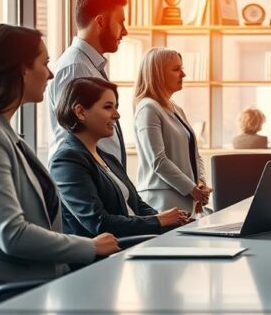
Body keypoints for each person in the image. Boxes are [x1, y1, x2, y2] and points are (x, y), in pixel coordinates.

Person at [0, 25, 119, 305]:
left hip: (32, 285)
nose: (51, 74)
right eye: (44, 63)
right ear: (21, 69)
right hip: (8, 296)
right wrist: (90, 246)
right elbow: (12, 234)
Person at [50, 77, 189, 238]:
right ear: (80, 112)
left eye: (115, 107)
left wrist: (175, 220)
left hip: (137, 242)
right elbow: (99, 223)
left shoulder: (109, 158)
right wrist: (158, 221)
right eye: (108, 107)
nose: (116, 115)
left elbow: (138, 206)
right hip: (109, 254)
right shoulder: (67, 160)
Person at [47, 0, 128, 165]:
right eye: (120, 23)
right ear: (100, 22)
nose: (125, 31)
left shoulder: (88, 65)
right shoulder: (75, 68)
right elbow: (74, 136)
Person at [133, 48, 212, 215]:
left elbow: (195, 154)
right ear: (157, 74)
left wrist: (200, 183)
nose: (183, 74)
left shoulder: (175, 108)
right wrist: (192, 189)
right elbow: (158, 161)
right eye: (176, 69)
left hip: (185, 200)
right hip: (162, 203)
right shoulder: (148, 108)